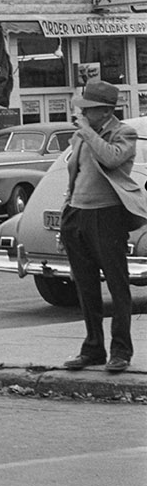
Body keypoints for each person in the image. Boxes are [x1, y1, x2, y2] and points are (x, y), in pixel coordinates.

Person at [57, 79, 144, 374]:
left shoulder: (124, 134)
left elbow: (110, 158)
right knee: (85, 285)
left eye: (88, 109)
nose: (82, 114)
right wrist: (65, 212)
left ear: (105, 111)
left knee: (117, 286)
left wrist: (89, 133)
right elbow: (75, 174)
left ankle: (121, 350)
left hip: (106, 216)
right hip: (77, 214)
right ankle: (93, 348)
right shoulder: (83, 136)